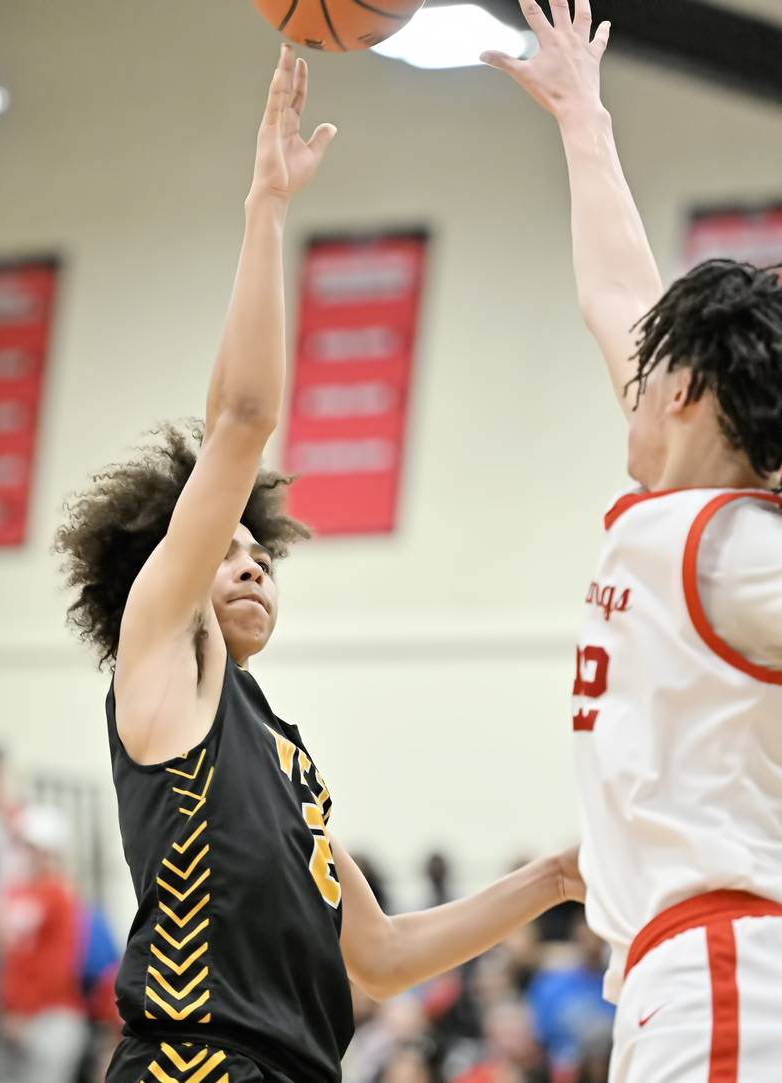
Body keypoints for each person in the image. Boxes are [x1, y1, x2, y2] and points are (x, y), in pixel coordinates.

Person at [55, 45, 583, 1083]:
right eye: (226, 550)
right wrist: (266, 206)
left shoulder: (283, 762)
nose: (251, 567)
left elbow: (379, 958)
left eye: (264, 554)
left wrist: (553, 878)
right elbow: (241, 421)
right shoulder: (163, 660)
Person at [482, 3, 782, 1081]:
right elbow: (615, 292)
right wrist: (580, 117)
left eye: (644, 372)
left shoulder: (734, 547)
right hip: (679, 973)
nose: (625, 380)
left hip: (728, 971)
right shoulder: (682, 512)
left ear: (689, 392)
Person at [0, 804, 88, 1083]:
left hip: (51, 1017)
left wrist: (24, 1010)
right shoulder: (17, 891)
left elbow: (58, 966)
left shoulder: (59, 895)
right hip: (19, 1021)